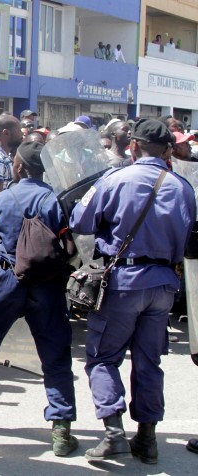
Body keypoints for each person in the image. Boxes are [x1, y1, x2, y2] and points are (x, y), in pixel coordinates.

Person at [71, 119, 195, 464]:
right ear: (168, 150)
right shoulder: (183, 187)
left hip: (124, 282)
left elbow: (81, 220)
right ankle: (148, 440)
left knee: (102, 358)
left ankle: (114, 435)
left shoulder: (114, 179)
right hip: (164, 285)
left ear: (134, 146)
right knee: (149, 363)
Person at [0, 141, 78, 456]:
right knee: (55, 354)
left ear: (19, 167)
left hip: (6, 280)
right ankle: (61, 430)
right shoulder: (54, 199)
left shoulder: (2, 198)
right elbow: (70, 245)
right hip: (46, 286)